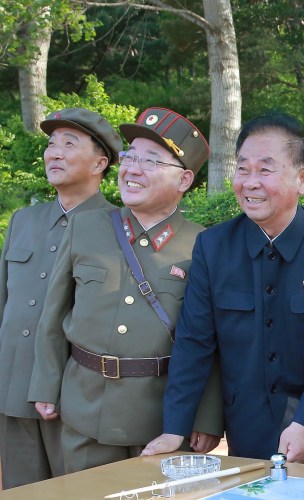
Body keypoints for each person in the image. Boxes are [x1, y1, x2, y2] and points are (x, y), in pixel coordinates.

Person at [142, 113, 304, 466]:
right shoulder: (213, 247)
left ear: (303, 180)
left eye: (266, 169)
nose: (250, 182)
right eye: (242, 168)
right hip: (248, 429)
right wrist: (175, 428)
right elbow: (195, 341)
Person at [29, 107, 223, 473]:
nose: (132, 169)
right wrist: (45, 385)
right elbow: (53, 316)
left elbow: (210, 341)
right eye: (129, 156)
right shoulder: (87, 227)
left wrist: (207, 416)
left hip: (161, 418)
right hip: (83, 408)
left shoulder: (204, 245)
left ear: (183, 180)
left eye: (151, 161)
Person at [0, 108, 122, 488]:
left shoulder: (120, 228)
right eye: (51, 144)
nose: (55, 152)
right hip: (12, 389)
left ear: (100, 162)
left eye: (70, 144)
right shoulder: (24, 220)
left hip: (75, 397)